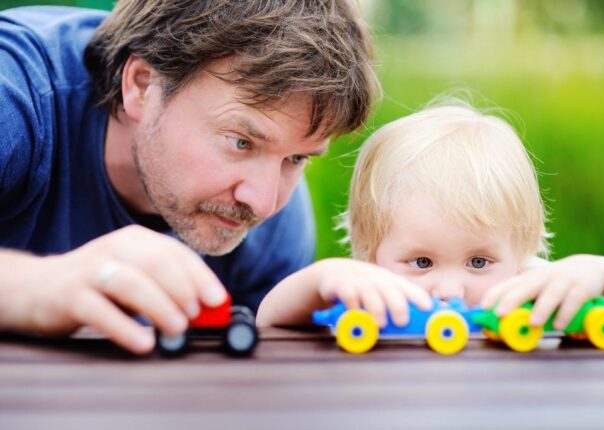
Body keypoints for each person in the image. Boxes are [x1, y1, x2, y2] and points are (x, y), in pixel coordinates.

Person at [0, 0, 378, 354]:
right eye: (240, 142)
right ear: (143, 85)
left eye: (296, 158)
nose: (263, 202)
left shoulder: (277, 223)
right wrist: (34, 286)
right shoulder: (15, 93)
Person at [257, 101, 604, 330]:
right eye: (421, 262)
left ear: (522, 251)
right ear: (368, 251)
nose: (449, 290)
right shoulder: (371, 296)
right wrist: (321, 280)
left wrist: (599, 273)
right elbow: (267, 318)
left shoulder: (530, 291)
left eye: (478, 262)